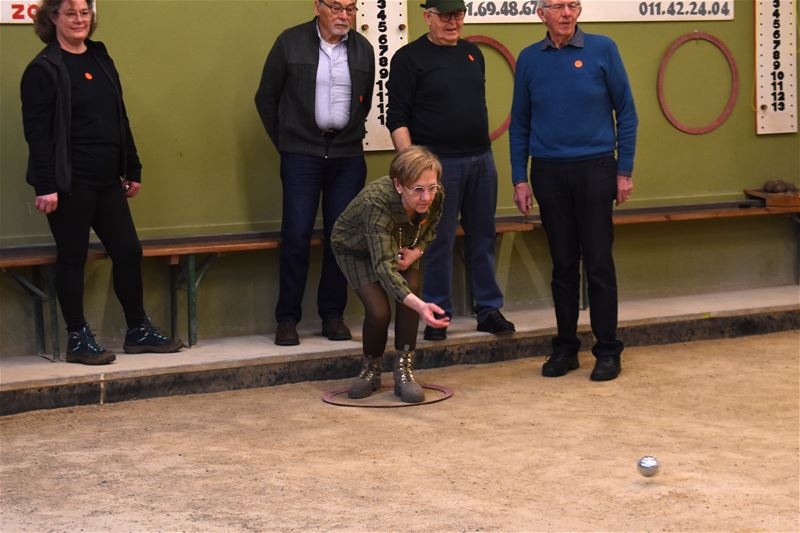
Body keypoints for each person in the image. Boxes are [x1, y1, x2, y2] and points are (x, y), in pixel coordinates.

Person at [20, 0, 183, 365]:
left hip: (107, 178)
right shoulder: (43, 69)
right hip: (68, 182)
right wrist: (45, 185)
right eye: (71, 13)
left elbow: (118, 115)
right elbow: (38, 135)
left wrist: (133, 167)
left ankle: (137, 331)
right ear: (52, 18)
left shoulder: (99, 57)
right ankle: (77, 338)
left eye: (84, 13)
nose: (80, 19)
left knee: (128, 251)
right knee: (74, 257)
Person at [509, 1, 638, 381]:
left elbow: (627, 113)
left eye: (572, 5)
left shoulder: (603, 49)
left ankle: (608, 350)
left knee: (599, 262)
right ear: (541, 14)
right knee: (563, 263)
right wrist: (520, 177)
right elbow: (519, 124)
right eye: (557, 6)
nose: (566, 13)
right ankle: (565, 348)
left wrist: (624, 170)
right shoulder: (529, 59)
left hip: (597, 168)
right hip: (549, 172)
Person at [386, 0, 515, 341]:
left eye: (458, 15)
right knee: (437, 242)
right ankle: (438, 314)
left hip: (481, 161)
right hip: (437, 168)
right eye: (444, 16)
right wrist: (414, 169)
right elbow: (396, 116)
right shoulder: (408, 59)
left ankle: (488, 309)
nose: (453, 22)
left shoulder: (474, 54)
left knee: (483, 237)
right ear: (427, 17)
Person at [255, 0, 375, 346]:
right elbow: (266, 98)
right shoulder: (290, 42)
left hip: (347, 155)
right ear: (317, 7)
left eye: (351, 8)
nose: (344, 15)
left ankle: (332, 315)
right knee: (295, 235)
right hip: (301, 155)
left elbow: (363, 102)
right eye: (336, 7)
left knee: (342, 237)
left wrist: (347, 134)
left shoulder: (363, 49)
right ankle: (288, 318)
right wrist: (289, 141)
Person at [331, 146, 450, 403]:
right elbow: (383, 266)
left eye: (431, 187)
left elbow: (432, 226)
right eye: (418, 189)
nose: (426, 197)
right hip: (355, 249)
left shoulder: (435, 194)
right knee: (379, 311)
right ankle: (370, 369)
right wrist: (422, 307)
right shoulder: (376, 201)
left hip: (402, 243)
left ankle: (404, 370)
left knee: (411, 288)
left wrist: (416, 251)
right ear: (399, 185)